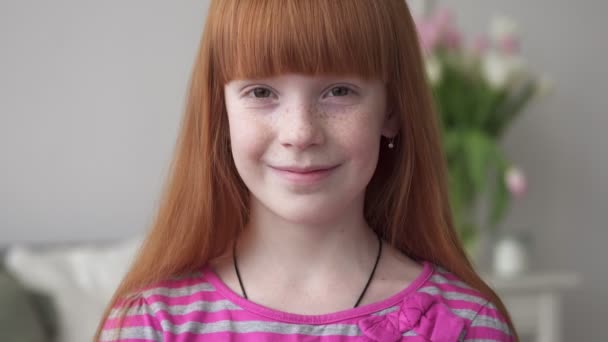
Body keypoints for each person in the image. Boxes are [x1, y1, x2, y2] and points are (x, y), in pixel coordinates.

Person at [95, 0, 518, 341]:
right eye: (261, 91)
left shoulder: (468, 326)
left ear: (391, 109)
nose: (300, 133)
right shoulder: (152, 325)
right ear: (221, 114)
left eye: (339, 91)